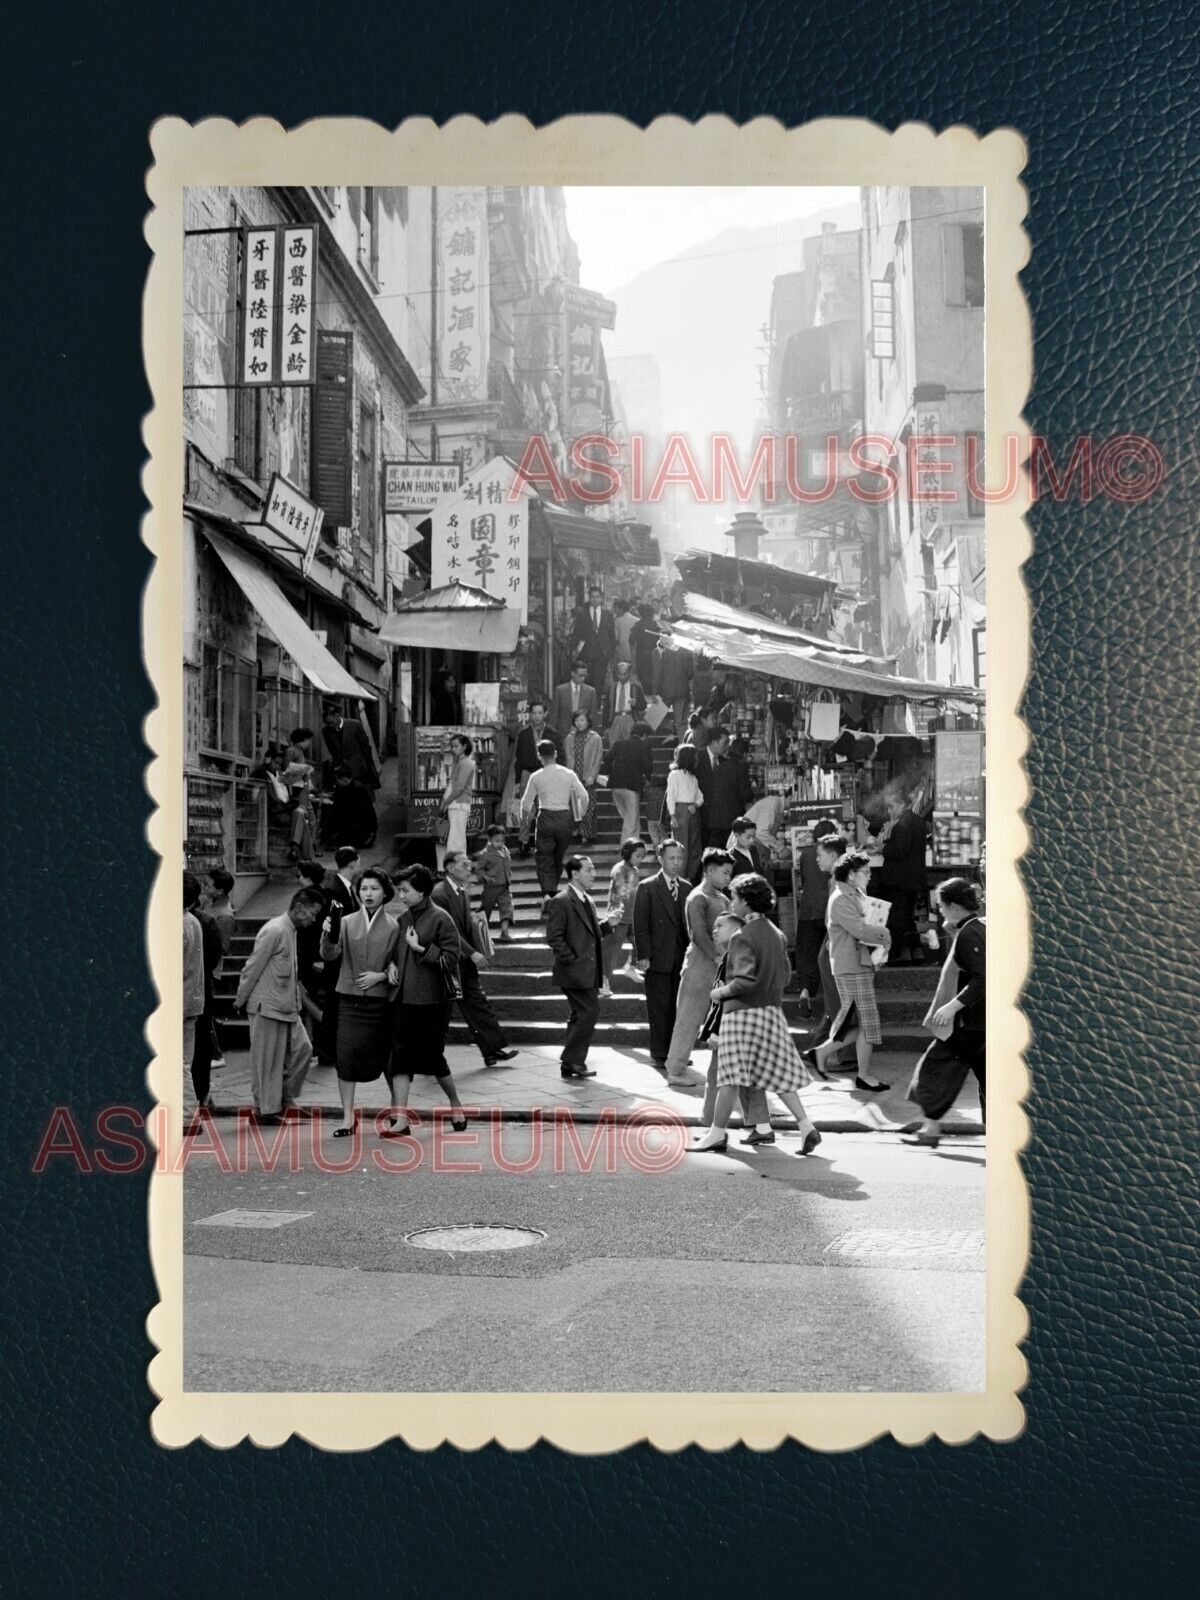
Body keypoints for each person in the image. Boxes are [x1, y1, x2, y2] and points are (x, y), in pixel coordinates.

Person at [691, 874, 821, 1156]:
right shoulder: (777, 932)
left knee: (729, 1077)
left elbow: (745, 980)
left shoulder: (742, 936)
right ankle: (805, 1125)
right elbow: (785, 977)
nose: (733, 903)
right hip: (771, 1013)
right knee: (779, 1075)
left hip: (742, 1015)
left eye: (735, 898)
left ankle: (715, 1134)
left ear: (746, 902)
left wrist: (721, 992)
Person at [384, 866, 468, 1135]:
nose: (401, 895)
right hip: (402, 1000)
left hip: (432, 1001)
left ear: (422, 890)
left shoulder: (441, 918)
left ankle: (456, 1104)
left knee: (433, 1057)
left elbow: (452, 958)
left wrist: (421, 948)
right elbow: (396, 953)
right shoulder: (403, 918)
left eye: (406, 890)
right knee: (400, 1058)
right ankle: (401, 1119)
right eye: (399, 890)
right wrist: (391, 967)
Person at [903, 878, 986, 1145]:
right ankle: (932, 1129)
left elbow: (982, 977)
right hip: (978, 1022)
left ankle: (931, 1129)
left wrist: (952, 1007)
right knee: (986, 1081)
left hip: (967, 1023)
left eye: (941, 905)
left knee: (932, 1070)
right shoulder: (976, 927)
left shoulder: (970, 934)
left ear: (953, 906)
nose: (939, 910)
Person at [319, 867, 400, 1136]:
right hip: (349, 1002)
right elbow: (329, 955)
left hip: (379, 1003)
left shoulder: (393, 925)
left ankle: (397, 1111)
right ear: (357, 891)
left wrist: (380, 975)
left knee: (388, 1058)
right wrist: (326, 934)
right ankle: (347, 1117)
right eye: (364, 888)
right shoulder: (345, 921)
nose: (368, 894)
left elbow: (396, 967)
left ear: (385, 893)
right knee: (345, 1056)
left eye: (374, 888)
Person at [234, 886, 322, 1121]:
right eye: (312, 913)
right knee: (268, 1062)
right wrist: (240, 999)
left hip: (287, 1007)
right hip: (267, 1006)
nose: (313, 919)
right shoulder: (274, 930)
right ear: (299, 907)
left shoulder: (290, 930)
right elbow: (252, 967)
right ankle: (264, 1109)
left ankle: (284, 1099)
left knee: (303, 1049)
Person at [815, 849, 892, 1090]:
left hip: (857, 963)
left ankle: (823, 1054)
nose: (869, 876)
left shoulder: (854, 893)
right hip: (850, 965)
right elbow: (860, 929)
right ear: (851, 874)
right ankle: (862, 1075)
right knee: (867, 1022)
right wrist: (885, 934)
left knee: (858, 1021)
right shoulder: (840, 898)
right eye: (865, 872)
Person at [433, 850, 518, 1068]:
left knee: (478, 1004)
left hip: (464, 963)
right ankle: (429, 1056)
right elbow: (449, 932)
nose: (469, 867)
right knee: (441, 1014)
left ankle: (491, 1049)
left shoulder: (462, 892)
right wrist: (472, 952)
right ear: (450, 868)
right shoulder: (439, 894)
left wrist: (475, 921)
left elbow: (461, 925)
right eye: (464, 864)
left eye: (469, 863)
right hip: (449, 962)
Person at [697, 911, 775, 1144]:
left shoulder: (734, 958)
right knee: (749, 1079)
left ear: (736, 931)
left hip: (732, 1029)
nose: (714, 930)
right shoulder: (736, 955)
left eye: (720, 925)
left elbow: (729, 999)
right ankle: (761, 1127)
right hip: (744, 1027)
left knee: (720, 1079)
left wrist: (717, 1033)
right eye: (714, 925)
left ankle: (715, 1130)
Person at [663, 848, 734, 1087]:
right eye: (724, 872)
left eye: (729, 873)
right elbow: (698, 934)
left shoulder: (721, 898)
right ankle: (674, 1069)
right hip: (700, 966)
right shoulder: (697, 897)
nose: (728, 877)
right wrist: (716, 957)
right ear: (710, 870)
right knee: (689, 1019)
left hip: (719, 965)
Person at [546, 855, 614, 1079]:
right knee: (589, 1012)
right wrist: (571, 961)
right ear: (575, 873)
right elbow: (554, 937)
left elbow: (590, 935)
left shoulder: (588, 900)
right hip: (574, 971)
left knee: (580, 1014)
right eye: (589, 870)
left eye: (593, 869)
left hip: (588, 971)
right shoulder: (561, 900)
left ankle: (571, 1062)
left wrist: (607, 925)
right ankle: (572, 1059)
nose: (594, 874)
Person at [632, 839, 693, 1073]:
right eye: (671, 858)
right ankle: (659, 1052)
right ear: (660, 859)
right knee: (659, 1006)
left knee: (680, 1007)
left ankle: (677, 1052)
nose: (676, 863)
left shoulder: (687, 887)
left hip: (681, 957)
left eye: (679, 858)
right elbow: (641, 924)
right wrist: (643, 955)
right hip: (658, 957)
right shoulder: (648, 887)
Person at [519, 738, 589, 916]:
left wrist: (524, 822)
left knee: (544, 858)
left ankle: (548, 894)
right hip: (565, 818)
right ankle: (551, 893)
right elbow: (584, 796)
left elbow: (526, 804)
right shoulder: (568, 773)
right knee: (558, 857)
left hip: (546, 818)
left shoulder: (536, 776)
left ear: (539, 756)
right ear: (556, 754)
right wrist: (579, 815)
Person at [183, 872, 225, 1129]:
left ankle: (189, 1115)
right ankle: (195, 1105)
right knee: (189, 1059)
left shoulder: (183, 924)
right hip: (196, 998)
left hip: (185, 998)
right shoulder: (197, 922)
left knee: (182, 1061)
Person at [873, 788, 929, 963]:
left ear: (902, 804)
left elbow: (900, 850)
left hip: (898, 879)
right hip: (913, 878)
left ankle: (902, 955)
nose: (889, 811)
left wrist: (883, 848)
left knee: (898, 918)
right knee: (908, 917)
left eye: (891, 807)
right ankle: (916, 952)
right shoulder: (918, 821)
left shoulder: (903, 823)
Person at [794, 819, 844, 1015]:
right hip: (830, 911)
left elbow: (804, 881)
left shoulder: (806, 854)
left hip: (809, 909)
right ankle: (832, 998)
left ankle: (805, 991)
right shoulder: (837, 857)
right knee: (829, 951)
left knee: (807, 951)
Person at [511, 701, 564, 854]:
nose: (537, 716)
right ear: (530, 714)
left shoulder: (553, 734)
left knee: (547, 807)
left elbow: (560, 756)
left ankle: (545, 841)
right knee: (527, 808)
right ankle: (524, 841)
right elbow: (518, 758)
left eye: (540, 713)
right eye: (534, 713)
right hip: (527, 772)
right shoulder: (523, 733)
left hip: (546, 771)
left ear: (545, 714)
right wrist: (517, 780)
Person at [601, 838, 647, 994]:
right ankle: (603, 981)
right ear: (628, 853)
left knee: (640, 943)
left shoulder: (635, 870)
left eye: (642, 857)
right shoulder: (619, 869)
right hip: (619, 917)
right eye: (638, 856)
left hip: (632, 916)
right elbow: (621, 891)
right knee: (612, 952)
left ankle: (631, 967)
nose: (640, 860)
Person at [702, 727, 754, 848]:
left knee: (717, 855)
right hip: (731, 820)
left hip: (714, 820)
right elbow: (745, 795)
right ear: (745, 754)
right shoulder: (740, 768)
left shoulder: (720, 767)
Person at [607, 720, 653, 845]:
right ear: (644, 734)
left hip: (615, 786)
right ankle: (626, 850)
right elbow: (648, 765)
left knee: (631, 819)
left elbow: (607, 759)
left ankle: (636, 844)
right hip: (632, 787)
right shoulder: (643, 746)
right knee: (630, 822)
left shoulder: (619, 743)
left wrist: (611, 772)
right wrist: (647, 778)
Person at [666, 743, 705, 884]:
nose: (697, 760)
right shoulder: (674, 775)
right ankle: (680, 877)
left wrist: (695, 805)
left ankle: (688, 876)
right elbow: (671, 796)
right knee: (682, 845)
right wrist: (672, 815)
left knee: (694, 845)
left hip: (692, 811)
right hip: (681, 810)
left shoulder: (693, 778)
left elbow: (700, 797)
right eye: (694, 757)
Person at [321, 702, 379, 796]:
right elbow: (332, 750)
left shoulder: (355, 724)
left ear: (337, 715)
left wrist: (367, 767)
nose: (331, 725)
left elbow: (366, 747)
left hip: (358, 768)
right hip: (342, 771)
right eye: (328, 723)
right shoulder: (326, 731)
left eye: (331, 722)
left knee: (362, 796)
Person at [564, 709, 603, 845]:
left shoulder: (595, 737)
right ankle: (578, 829)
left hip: (588, 776)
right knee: (575, 805)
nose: (579, 723)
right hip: (574, 775)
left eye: (582, 720)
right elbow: (568, 756)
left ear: (588, 721)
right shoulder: (569, 737)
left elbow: (598, 758)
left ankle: (586, 834)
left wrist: (593, 775)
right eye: (577, 720)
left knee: (589, 805)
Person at [473, 823, 515, 943]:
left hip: (505, 886)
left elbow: (507, 865)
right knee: (486, 910)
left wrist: (509, 876)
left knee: (507, 908)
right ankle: (479, 933)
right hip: (491, 887)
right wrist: (485, 878)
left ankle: (504, 932)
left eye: (502, 840)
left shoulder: (506, 851)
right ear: (490, 840)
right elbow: (479, 870)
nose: (500, 843)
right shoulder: (485, 854)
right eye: (497, 841)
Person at [570, 583, 616, 691]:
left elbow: (612, 637)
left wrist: (609, 654)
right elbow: (576, 635)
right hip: (586, 656)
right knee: (586, 684)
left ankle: (596, 706)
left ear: (601, 598)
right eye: (592, 597)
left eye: (597, 597)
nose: (595, 599)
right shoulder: (582, 615)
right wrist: (574, 651)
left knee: (598, 684)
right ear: (589, 598)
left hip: (602, 656)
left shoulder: (608, 615)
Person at [282, 727, 318, 861]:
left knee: (313, 821)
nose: (309, 743)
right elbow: (288, 771)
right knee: (306, 818)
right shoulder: (292, 751)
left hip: (304, 792)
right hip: (298, 793)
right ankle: (301, 850)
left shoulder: (300, 752)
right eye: (309, 740)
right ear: (303, 740)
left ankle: (310, 848)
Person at [438, 733, 476, 857]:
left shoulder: (466, 763)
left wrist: (446, 801)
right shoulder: (461, 762)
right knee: (456, 838)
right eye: (452, 746)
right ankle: (457, 867)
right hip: (456, 804)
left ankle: (456, 868)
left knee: (456, 840)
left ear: (464, 747)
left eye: (456, 746)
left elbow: (459, 787)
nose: (453, 749)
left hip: (458, 804)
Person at [326, 764, 377, 850]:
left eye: (337, 780)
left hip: (358, 829)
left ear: (344, 779)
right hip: (358, 828)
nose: (337, 782)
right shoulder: (352, 788)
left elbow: (367, 812)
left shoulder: (357, 790)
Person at [551, 660, 599, 738]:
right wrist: (552, 736)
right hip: (563, 734)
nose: (583, 678)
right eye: (580, 675)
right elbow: (554, 715)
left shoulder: (591, 692)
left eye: (585, 675)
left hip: (584, 735)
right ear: (572, 673)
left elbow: (593, 717)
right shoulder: (560, 690)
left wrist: (593, 737)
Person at [603, 660, 646, 747]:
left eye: (625, 674)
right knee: (614, 746)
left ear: (629, 673)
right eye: (620, 674)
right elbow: (606, 708)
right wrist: (606, 726)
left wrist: (636, 704)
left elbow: (643, 705)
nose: (622, 676)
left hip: (630, 718)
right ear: (616, 674)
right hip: (615, 718)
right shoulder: (611, 688)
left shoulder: (636, 687)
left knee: (631, 747)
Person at [656, 642, 693, 737]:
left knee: (653, 718)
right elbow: (690, 672)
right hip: (682, 691)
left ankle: (649, 742)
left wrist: (655, 691)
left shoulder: (660, 650)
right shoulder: (686, 651)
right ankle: (683, 747)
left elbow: (657, 672)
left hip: (664, 691)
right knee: (680, 723)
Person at [728, 816, 765, 880]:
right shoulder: (730, 857)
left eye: (754, 836)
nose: (752, 840)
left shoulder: (754, 850)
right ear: (737, 835)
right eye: (748, 837)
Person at [614, 599, 639, 670]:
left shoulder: (617, 621)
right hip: (634, 653)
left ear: (621, 609)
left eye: (618, 609)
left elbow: (615, 638)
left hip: (621, 652)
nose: (617, 611)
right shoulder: (637, 620)